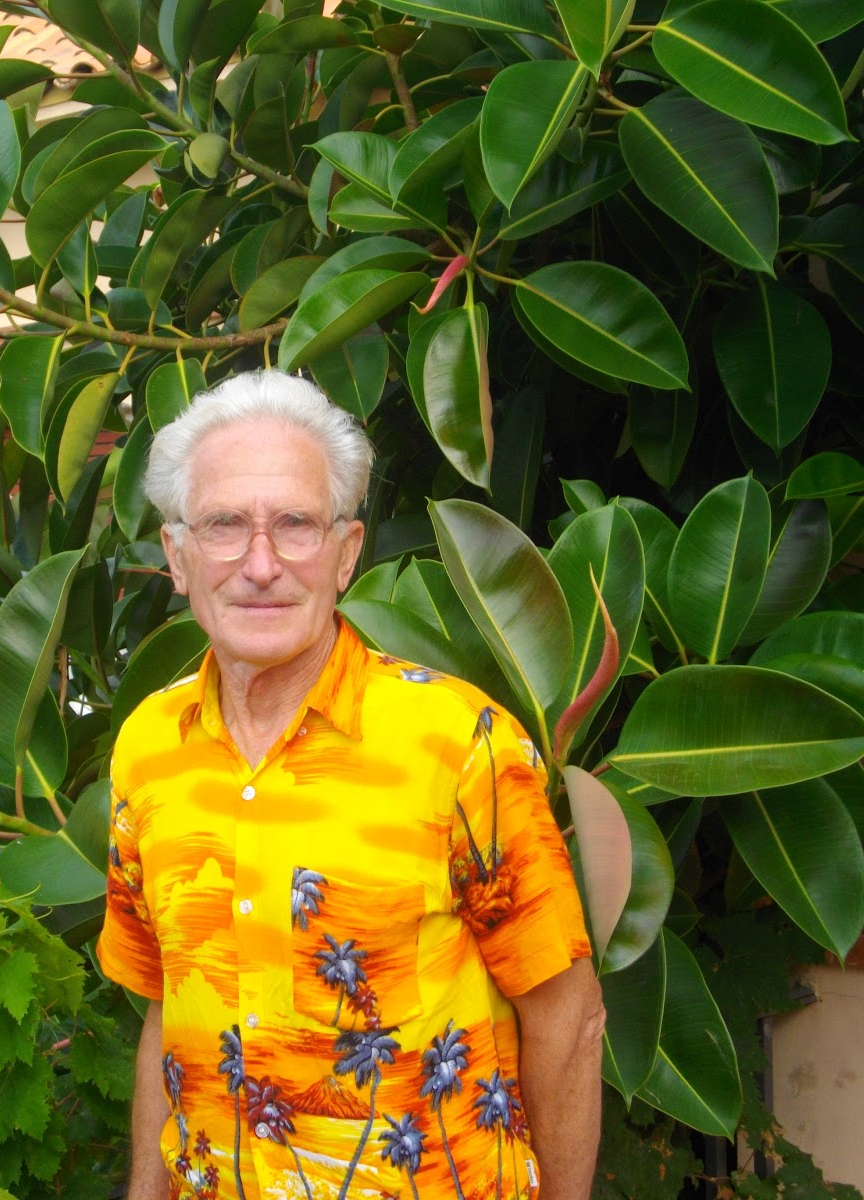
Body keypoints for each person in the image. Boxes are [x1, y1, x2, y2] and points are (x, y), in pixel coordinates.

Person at [98, 370, 604, 1200]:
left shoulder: (458, 744)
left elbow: (568, 1017)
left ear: (346, 553)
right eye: (225, 525)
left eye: (295, 525)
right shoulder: (149, 748)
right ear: (177, 557)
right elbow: (167, 1006)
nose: (261, 564)